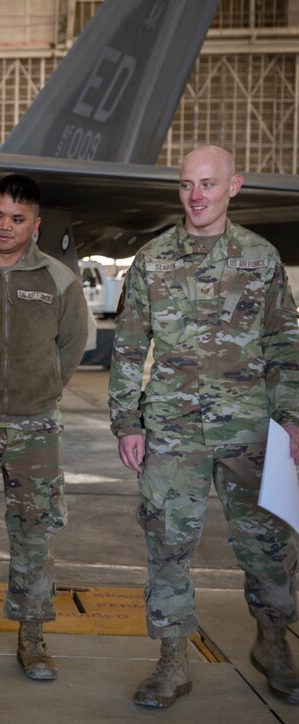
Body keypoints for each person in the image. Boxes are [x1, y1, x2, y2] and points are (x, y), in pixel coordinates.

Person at [109, 144, 299, 708]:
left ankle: (273, 644)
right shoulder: (153, 259)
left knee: (268, 545)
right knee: (167, 545)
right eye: (188, 184)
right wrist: (127, 421)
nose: (196, 195)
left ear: (233, 186)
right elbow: (127, 346)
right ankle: (172, 662)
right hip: (172, 431)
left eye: (208, 184)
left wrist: (291, 418)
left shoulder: (261, 259)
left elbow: (284, 344)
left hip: (250, 430)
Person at [0, 174, 89, 683]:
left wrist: (40, 391)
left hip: (36, 431)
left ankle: (31, 637)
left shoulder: (58, 280)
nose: (5, 227)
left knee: (35, 538)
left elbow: (70, 349)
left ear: (35, 224)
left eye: (17, 219)